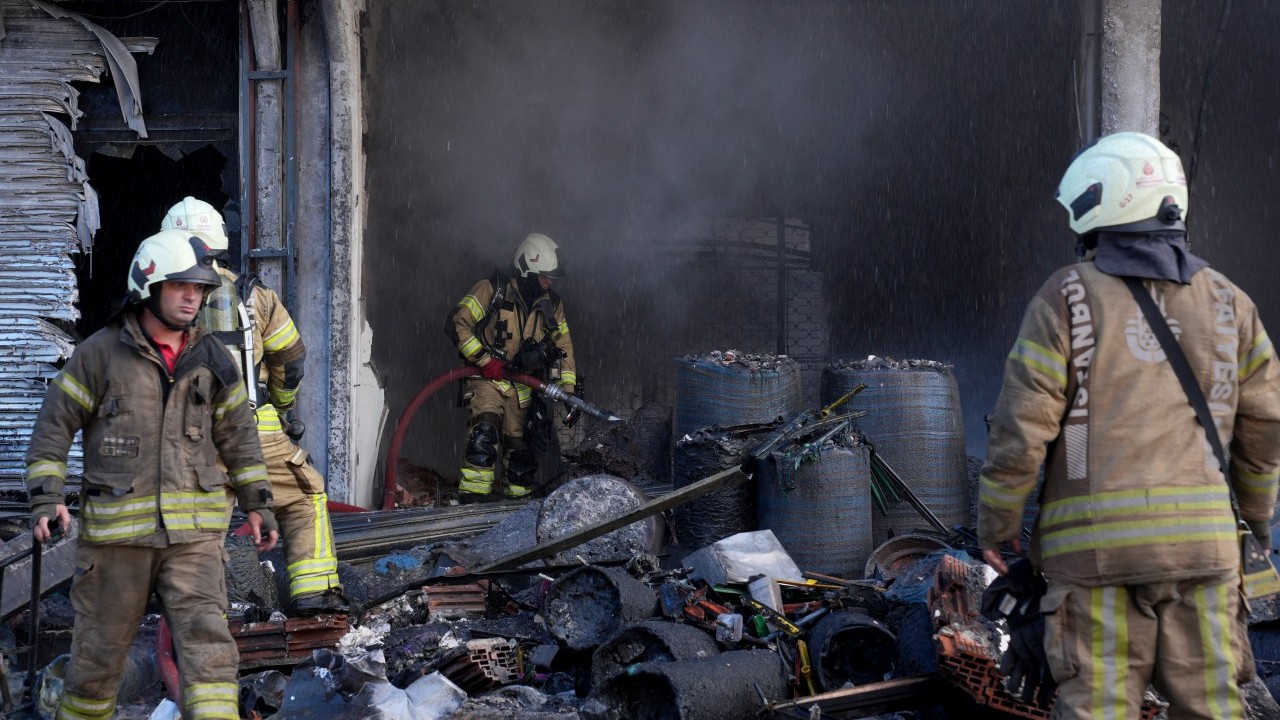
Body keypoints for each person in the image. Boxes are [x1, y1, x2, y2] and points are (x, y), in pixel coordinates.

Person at [978, 131, 1280, 718]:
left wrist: (999, 523)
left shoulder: (1066, 296)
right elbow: (1264, 431)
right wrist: (1258, 522)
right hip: (1205, 555)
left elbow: (1021, 428)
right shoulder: (1231, 303)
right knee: (1212, 708)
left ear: (1104, 204)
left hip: (1095, 563)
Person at [27, 229, 278, 720]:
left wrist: (258, 503)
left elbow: (240, 438)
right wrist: (45, 497)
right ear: (147, 286)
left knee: (210, 656)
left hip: (194, 541)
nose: (193, 297)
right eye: (181, 286)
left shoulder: (212, 359)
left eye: (200, 289)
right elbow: (54, 426)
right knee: (96, 665)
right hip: (116, 544)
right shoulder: (99, 356)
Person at [162, 197, 352, 616]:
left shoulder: (154, 298)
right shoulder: (255, 296)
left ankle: (191, 605)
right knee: (304, 497)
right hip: (254, 432)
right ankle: (316, 593)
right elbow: (291, 360)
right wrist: (281, 408)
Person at [447, 233, 577, 502]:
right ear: (526, 268)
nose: (549, 282)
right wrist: (484, 360)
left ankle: (516, 514)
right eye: (544, 276)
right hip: (487, 381)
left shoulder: (552, 304)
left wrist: (569, 389)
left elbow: (563, 345)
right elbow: (458, 324)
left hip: (523, 387)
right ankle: (473, 504)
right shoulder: (492, 289)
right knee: (484, 433)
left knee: (521, 452)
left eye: (552, 277)